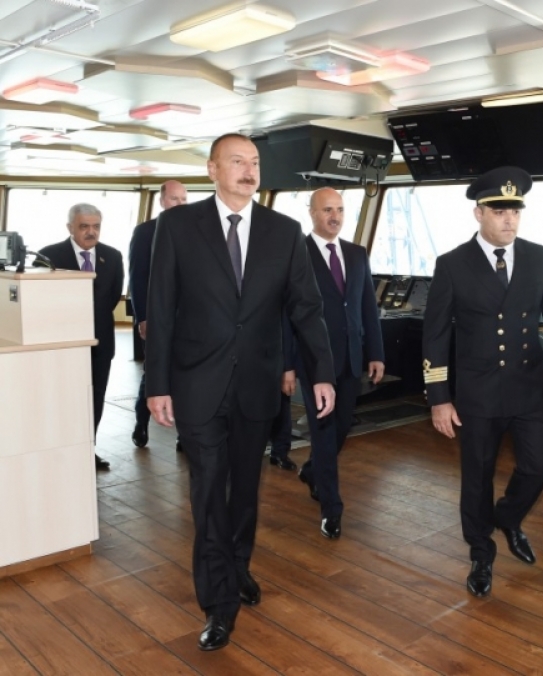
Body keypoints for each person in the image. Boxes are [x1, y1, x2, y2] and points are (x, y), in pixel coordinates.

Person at [144, 133, 337, 652]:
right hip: (196, 383)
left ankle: (237, 566)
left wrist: (321, 372)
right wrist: (157, 385)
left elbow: (306, 308)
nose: (249, 171)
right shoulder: (177, 226)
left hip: (257, 383)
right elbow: (160, 308)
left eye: (254, 162)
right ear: (213, 170)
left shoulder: (283, 231)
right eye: (237, 161)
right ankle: (218, 603)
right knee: (209, 492)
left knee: (246, 490)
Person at [422, 166, 543, 598]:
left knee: (539, 465)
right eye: (499, 211)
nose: (509, 219)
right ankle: (481, 552)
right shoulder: (452, 264)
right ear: (479, 214)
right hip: (477, 392)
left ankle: (507, 517)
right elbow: (435, 335)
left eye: (515, 211)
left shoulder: (538, 256)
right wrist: (439, 397)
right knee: (477, 477)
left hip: (530, 386)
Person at [292, 187, 385, 538]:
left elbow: (366, 307)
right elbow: (287, 313)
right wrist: (287, 365)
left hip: (351, 357)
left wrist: (376, 353)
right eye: (327, 209)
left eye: (340, 209)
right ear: (312, 213)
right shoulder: (297, 254)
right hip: (314, 360)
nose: (335, 216)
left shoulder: (357, 254)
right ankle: (331, 508)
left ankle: (312, 470)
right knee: (324, 431)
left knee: (343, 424)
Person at [38, 204, 124, 471]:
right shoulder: (48, 256)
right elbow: (42, 301)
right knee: (62, 398)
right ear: (70, 228)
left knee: (94, 398)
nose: (91, 232)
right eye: (84, 226)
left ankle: (88, 449)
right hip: (62, 343)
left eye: (96, 226)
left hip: (101, 342)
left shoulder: (112, 256)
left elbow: (111, 297)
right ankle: (59, 451)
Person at [128, 180, 187, 452]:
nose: (180, 204)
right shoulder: (145, 232)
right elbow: (137, 276)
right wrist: (143, 317)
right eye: (174, 199)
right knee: (154, 370)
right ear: (162, 201)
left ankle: (184, 433)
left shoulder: (195, 231)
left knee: (187, 374)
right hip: (156, 316)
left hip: (188, 318)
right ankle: (141, 422)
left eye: (183, 199)